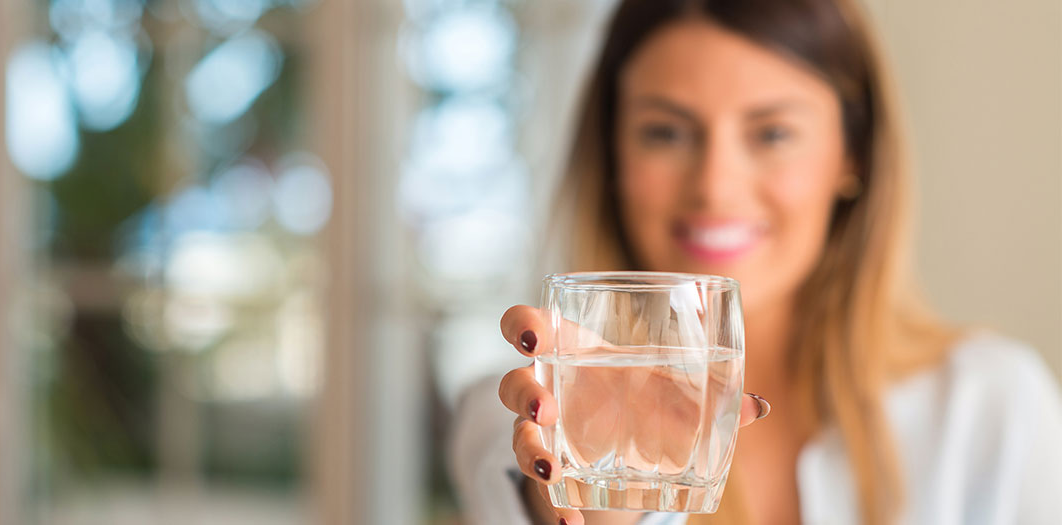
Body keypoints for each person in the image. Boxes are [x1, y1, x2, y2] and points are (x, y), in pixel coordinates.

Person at [447, 1, 1062, 524]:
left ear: (853, 155)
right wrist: (606, 499)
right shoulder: (519, 411)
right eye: (665, 132)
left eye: (771, 134)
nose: (715, 186)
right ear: (612, 157)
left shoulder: (993, 407)